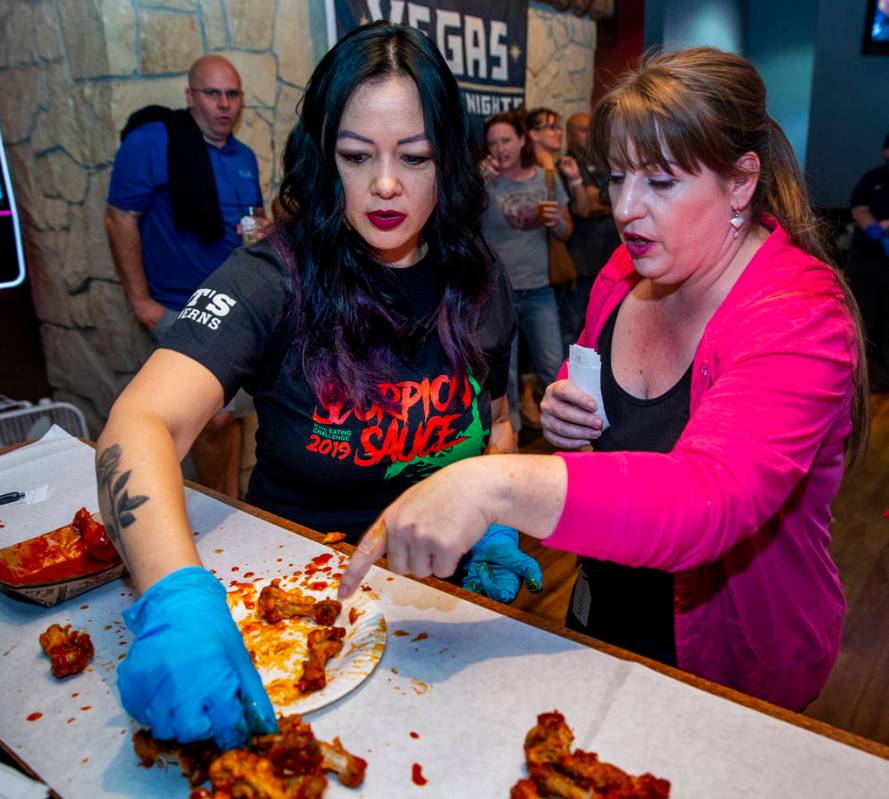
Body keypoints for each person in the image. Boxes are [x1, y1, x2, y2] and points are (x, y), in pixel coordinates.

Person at [340, 47, 870, 712]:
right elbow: (588, 383)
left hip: (732, 662)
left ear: (739, 182)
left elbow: (709, 499)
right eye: (618, 178)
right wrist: (565, 410)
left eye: (660, 183)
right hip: (601, 610)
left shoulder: (798, 316)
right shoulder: (625, 272)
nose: (625, 208)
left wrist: (494, 483)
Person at [96, 22, 540, 749]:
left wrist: (494, 509)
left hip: (436, 601)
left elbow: (492, 416)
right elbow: (140, 422)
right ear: (323, 157)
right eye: (357, 156)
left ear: (451, 161)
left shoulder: (479, 277)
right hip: (297, 606)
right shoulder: (273, 277)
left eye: (415, 157)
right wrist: (175, 594)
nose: (386, 184)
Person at [104, 54, 263, 498]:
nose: (225, 105)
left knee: (230, 418)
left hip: (238, 303)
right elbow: (120, 218)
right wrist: (141, 301)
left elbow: (254, 219)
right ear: (191, 97)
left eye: (233, 95)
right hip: (181, 305)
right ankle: (220, 507)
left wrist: (263, 229)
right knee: (211, 417)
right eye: (213, 94)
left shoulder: (244, 156)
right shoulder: (153, 141)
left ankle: (230, 505)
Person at [481, 111, 572, 436]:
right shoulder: (485, 180)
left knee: (553, 367)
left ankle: (565, 439)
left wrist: (555, 222)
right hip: (495, 296)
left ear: (522, 140)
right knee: (504, 378)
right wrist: (478, 185)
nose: (500, 148)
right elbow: (460, 226)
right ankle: (510, 440)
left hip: (539, 291)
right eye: (492, 143)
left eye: (506, 140)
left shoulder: (544, 178)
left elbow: (565, 230)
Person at [556, 112, 619, 349]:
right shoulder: (566, 166)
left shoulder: (603, 162)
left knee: (604, 324)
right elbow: (584, 208)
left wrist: (600, 199)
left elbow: (608, 199)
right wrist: (602, 200)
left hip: (608, 257)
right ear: (570, 135)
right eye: (583, 130)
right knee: (573, 325)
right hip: (580, 259)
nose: (590, 135)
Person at [846, 131, 889, 392]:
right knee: (862, 320)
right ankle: (862, 380)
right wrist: (875, 229)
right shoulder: (873, 178)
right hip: (867, 263)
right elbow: (858, 208)